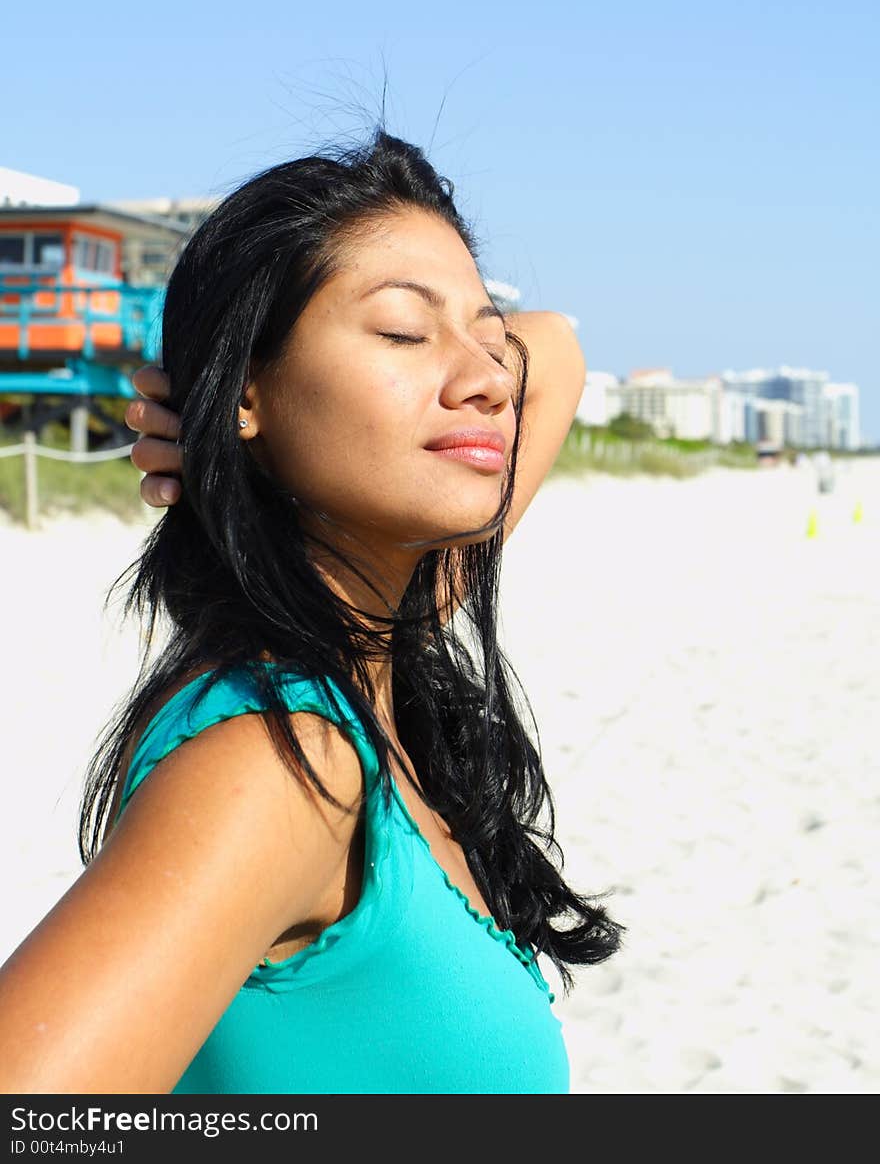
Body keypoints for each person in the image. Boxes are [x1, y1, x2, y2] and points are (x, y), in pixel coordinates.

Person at [0, 129, 624, 1094]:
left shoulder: (381, 650)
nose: (491, 380)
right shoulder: (279, 765)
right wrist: (219, 406)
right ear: (254, 383)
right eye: (403, 333)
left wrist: (228, 421)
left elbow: (559, 349)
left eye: (486, 341)